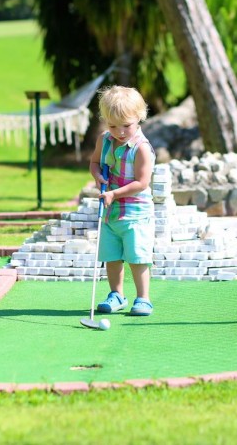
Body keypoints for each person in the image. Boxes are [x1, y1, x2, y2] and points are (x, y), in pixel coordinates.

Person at [89, 85, 155, 316]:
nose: (120, 132)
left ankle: (143, 298)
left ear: (139, 118)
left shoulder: (141, 148)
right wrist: (98, 177)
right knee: (112, 256)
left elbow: (142, 182)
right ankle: (116, 294)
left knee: (137, 256)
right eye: (112, 125)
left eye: (126, 125)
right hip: (109, 211)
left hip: (135, 212)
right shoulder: (105, 140)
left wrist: (114, 193)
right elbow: (95, 163)